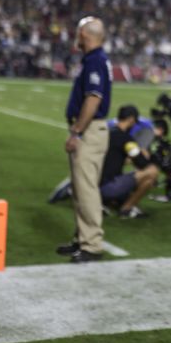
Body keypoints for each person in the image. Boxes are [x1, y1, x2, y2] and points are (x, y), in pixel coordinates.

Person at [57, 16, 112, 263]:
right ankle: (82, 238)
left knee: (86, 188)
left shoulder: (96, 60)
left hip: (89, 131)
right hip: (89, 130)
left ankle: (92, 244)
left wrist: (77, 131)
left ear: (85, 35)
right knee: (80, 188)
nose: (76, 37)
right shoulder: (94, 59)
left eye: (78, 33)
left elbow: (93, 99)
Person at [97, 105, 160, 218]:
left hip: (93, 185)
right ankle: (126, 209)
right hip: (108, 188)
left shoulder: (106, 131)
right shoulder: (126, 139)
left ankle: (111, 202)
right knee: (152, 172)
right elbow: (141, 163)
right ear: (131, 119)